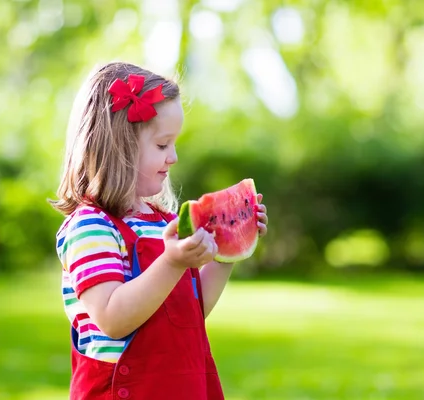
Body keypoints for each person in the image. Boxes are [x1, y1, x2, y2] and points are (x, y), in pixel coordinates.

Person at [50, 62, 268, 400]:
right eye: (163, 145)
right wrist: (172, 263)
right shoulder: (91, 226)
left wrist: (227, 252)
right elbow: (112, 317)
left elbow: (190, 313)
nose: (174, 157)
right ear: (118, 146)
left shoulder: (162, 222)